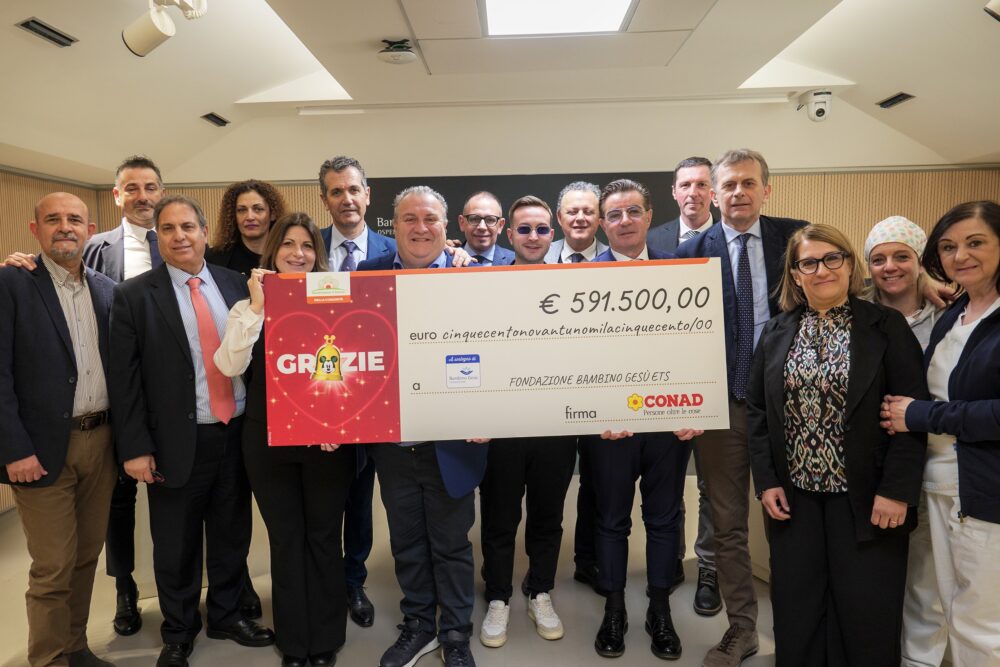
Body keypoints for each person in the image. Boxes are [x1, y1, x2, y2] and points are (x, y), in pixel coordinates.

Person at [747, 223, 928, 665]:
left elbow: (912, 414)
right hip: (796, 499)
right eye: (808, 262)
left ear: (850, 265)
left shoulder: (887, 328)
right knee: (797, 606)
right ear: (794, 274)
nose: (821, 269)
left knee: (866, 608)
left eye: (832, 259)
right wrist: (767, 481)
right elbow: (757, 413)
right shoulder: (776, 332)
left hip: (868, 498)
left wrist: (896, 490)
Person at [110, 195, 274, 667]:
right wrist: (135, 448)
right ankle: (179, 630)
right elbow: (125, 383)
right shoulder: (134, 296)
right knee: (176, 544)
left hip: (235, 434)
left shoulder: (234, 285)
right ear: (156, 237)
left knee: (231, 533)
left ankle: (225, 615)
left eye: (188, 227)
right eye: (168, 229)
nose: (180, 236)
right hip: (175, 442)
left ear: (204, 232)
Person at [672, 148, 809, 666]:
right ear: (711, 192)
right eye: (727, 185)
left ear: (766, 189)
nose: (738, 193)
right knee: (727, 524)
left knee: (793, 518)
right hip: (721, 407)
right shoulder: (691, 251)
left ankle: (798, 625)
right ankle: (743, 629)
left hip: (790, 407)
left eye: (749, 183)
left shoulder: (797, 239)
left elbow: (846, 285)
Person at [215, 213, 354, 667]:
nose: (298, 253)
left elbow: (354, 374)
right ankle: (295, 643)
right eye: (289, 244)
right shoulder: (248, 305)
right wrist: (256, 307)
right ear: (272, 250)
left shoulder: (338, 300)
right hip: (267, 440)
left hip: (327, 441)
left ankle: (327, 639)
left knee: (323, 537)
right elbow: (229, 365)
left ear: (319, 253)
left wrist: (338, 424)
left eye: (308, 246)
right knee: (286, 539)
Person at [359, 186, 489, 667]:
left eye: (430, 219)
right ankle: (418, 625)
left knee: (452, 544)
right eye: (409, 218)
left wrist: (491, 413)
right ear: (395, 226)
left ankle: (455, 633)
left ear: (446, 225)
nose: (420, 227)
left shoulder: (474, 279)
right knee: (408, 541)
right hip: (393, 445)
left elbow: (497, 353)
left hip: (452, 443)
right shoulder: (366, 278)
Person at [0, 193, 117, 667]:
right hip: (40, 450)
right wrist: (13, 449)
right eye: (53, 220)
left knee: (87, 556)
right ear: (35, 230)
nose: (64, 227)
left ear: (90, 229)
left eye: (73, 219)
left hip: (102, 443)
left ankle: (74, 646)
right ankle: (47, 659)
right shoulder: (11, 283)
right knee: (52, 567)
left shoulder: (108, 289)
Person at [882, 200, 1000, 667]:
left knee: (977, 617)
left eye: (975, 243)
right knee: (924, 601)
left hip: (980, 489)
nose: (960, 256)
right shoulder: (955, 311)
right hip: (931, 480)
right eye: (949, 247)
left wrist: (923, 417)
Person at [583, 179, 691, 660]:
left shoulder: (682, 274)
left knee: (664, 519)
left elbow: (699, 346)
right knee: (611, 521)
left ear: (650, 216)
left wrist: (697, 408)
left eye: (633, 211)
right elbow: (570, 358)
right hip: (610, 428)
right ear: (603, 225)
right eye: (614, 214)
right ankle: (614, 607)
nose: (624, 221)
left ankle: (660, 609)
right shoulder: (579, 280)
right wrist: (594, 412)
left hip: (668, 423)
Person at [478, 196, 573, 650]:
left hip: (556, 425)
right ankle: (498, 596)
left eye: (540, 229)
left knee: (547, 518)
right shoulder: (486, 283)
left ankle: (539, 590)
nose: (532, 236)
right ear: (507, 234)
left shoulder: (573, 285)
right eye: (523, 229)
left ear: (550, 234)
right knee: (498, 518)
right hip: (503, 426)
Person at [863, 216, 946, 666]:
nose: (890, 267)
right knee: (883, 574)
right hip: (874, 462)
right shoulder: (856, 314)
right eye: (878, 259)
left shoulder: (949, 316)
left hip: (939, 454)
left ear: (920, 263)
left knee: (929, 575)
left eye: (902, 257)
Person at [316, 155, 391, 626]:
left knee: (362, 499)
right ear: (325, 199)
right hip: (322, 394)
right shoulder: (307, 248)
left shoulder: (394, 246)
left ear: (368, 194)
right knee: (326, 499)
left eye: (353, 190)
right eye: (336, 191)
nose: (346, 199)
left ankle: (354, 581)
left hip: (379, 394)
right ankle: (323, 584)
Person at [647, 156, 721, 614]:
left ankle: (708, 568)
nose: (692, 192)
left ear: (713, 191)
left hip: (715, 380)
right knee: (668, 486)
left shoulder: (726, 240)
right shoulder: (652, 241)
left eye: (701, 184)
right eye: (684, 185)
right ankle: (668, 561)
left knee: (711, 487)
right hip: (662, 386)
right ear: (673, 193)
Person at [206, 179, 287, 276]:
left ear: (273, 214)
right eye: (241, 210)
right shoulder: (214, 259)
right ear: (234, 216)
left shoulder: (288, 257)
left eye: (258, 209)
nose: (250, 217)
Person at [544, 181, 608, 263]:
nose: (580, 218)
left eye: (588, 212)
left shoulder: (614, 258)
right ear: (559, 218)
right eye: (572, 212)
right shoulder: (542, 255)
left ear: (599, 217)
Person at [459, 191, 515, 266]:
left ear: (500, 225)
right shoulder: (447, 257)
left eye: (490, 220)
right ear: (462, 223)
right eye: (475, 219)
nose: (482, 227)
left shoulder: (514, 262)